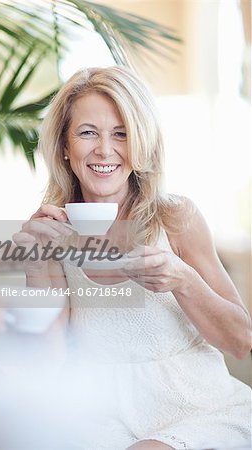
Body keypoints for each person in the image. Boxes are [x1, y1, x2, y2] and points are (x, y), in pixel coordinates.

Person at [13, 66, 252, 450]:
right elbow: (45, 363)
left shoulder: (176, 219)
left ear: (141, 143)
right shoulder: (53, 232)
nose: (105, 150)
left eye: (121, 133)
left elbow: (241, 341)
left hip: (196, 411)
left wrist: (182, 278)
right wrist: (36, 265)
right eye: (88, 132)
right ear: (64, 145)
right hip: (99, 419)